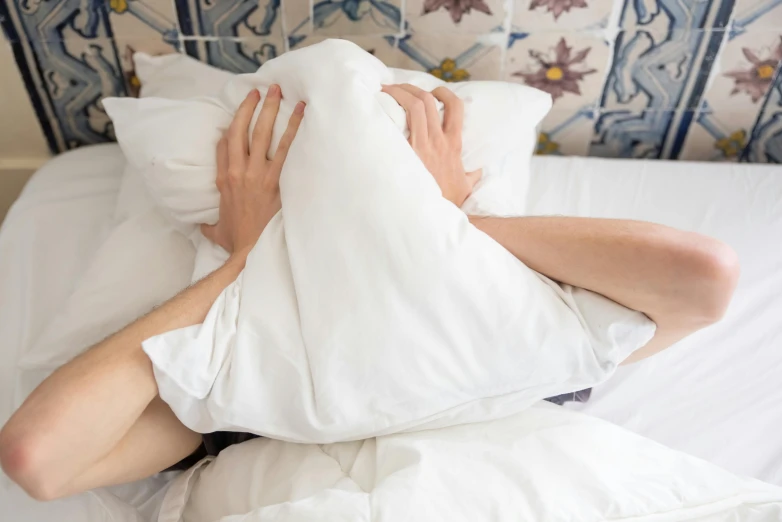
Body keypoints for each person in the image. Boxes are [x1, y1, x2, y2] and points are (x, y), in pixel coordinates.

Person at [0, 83, 739, 501]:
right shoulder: (226, 383)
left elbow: (704, 278)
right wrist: (243, 266)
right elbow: (40, 458)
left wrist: (445, 224)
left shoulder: (520, 331)